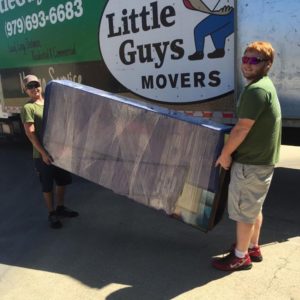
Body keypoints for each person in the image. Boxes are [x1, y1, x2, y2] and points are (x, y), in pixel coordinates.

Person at [213, 41, 281, 271]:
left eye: (255, 61)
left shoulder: (256, 91)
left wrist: (225, 153)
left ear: (267, 64)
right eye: (245, 59)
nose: (248, 65)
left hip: (251, 163)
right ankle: (252, 247)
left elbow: (242, 128)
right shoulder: (265, 86)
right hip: (261, 161)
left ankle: (240, 256)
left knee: (243, 211)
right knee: (253, 207)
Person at [21, 74, 78, 229]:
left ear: (41, 85)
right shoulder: (28, 107)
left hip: (59, 152)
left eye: (35, 85)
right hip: (42, 155)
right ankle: (51, 213)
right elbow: (30, 134)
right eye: (30, 87)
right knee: (47, 185)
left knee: (62, 181)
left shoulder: (50, 102)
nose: (34, 89)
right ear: (25, 90)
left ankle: (60, 208)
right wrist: (44, 154)